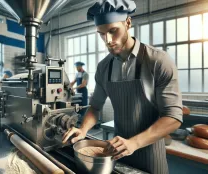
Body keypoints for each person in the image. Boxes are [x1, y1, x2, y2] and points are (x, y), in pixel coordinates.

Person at [62, 1, 183, 174]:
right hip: (116, 153)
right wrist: (83, 129)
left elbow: (173, 117)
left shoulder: (157, 61)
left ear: (127, 23)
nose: (108, 41)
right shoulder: (104, 67)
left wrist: (133, 143)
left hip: (150, 155)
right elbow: (95, 107)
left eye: (113, 31)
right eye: (101, 34)